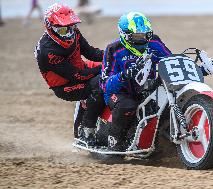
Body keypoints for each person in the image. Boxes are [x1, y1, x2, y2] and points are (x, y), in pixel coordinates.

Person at [100, 12, 172, 151]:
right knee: (127, 105)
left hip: (148, 88)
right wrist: (124, 75)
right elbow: (105, 84)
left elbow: (169, 60)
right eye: (138, 36)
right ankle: (114, 141)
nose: (143, 40)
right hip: (120, 93)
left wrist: (198, 68)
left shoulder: (155, 42)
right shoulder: (113, 49)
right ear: (125, 35)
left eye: (146, 35)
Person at [34, 3, 105, 145]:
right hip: (66, 86)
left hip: (82, 69)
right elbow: (77, 76)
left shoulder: (73, 31)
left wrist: (112, 56)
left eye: (71, 27)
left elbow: (91, 53)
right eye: (62, 31)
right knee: (100, 84)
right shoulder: (47, 52)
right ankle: (87, 130)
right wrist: (105, 67)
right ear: (51, 28)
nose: (68, 33)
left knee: (115, 69)